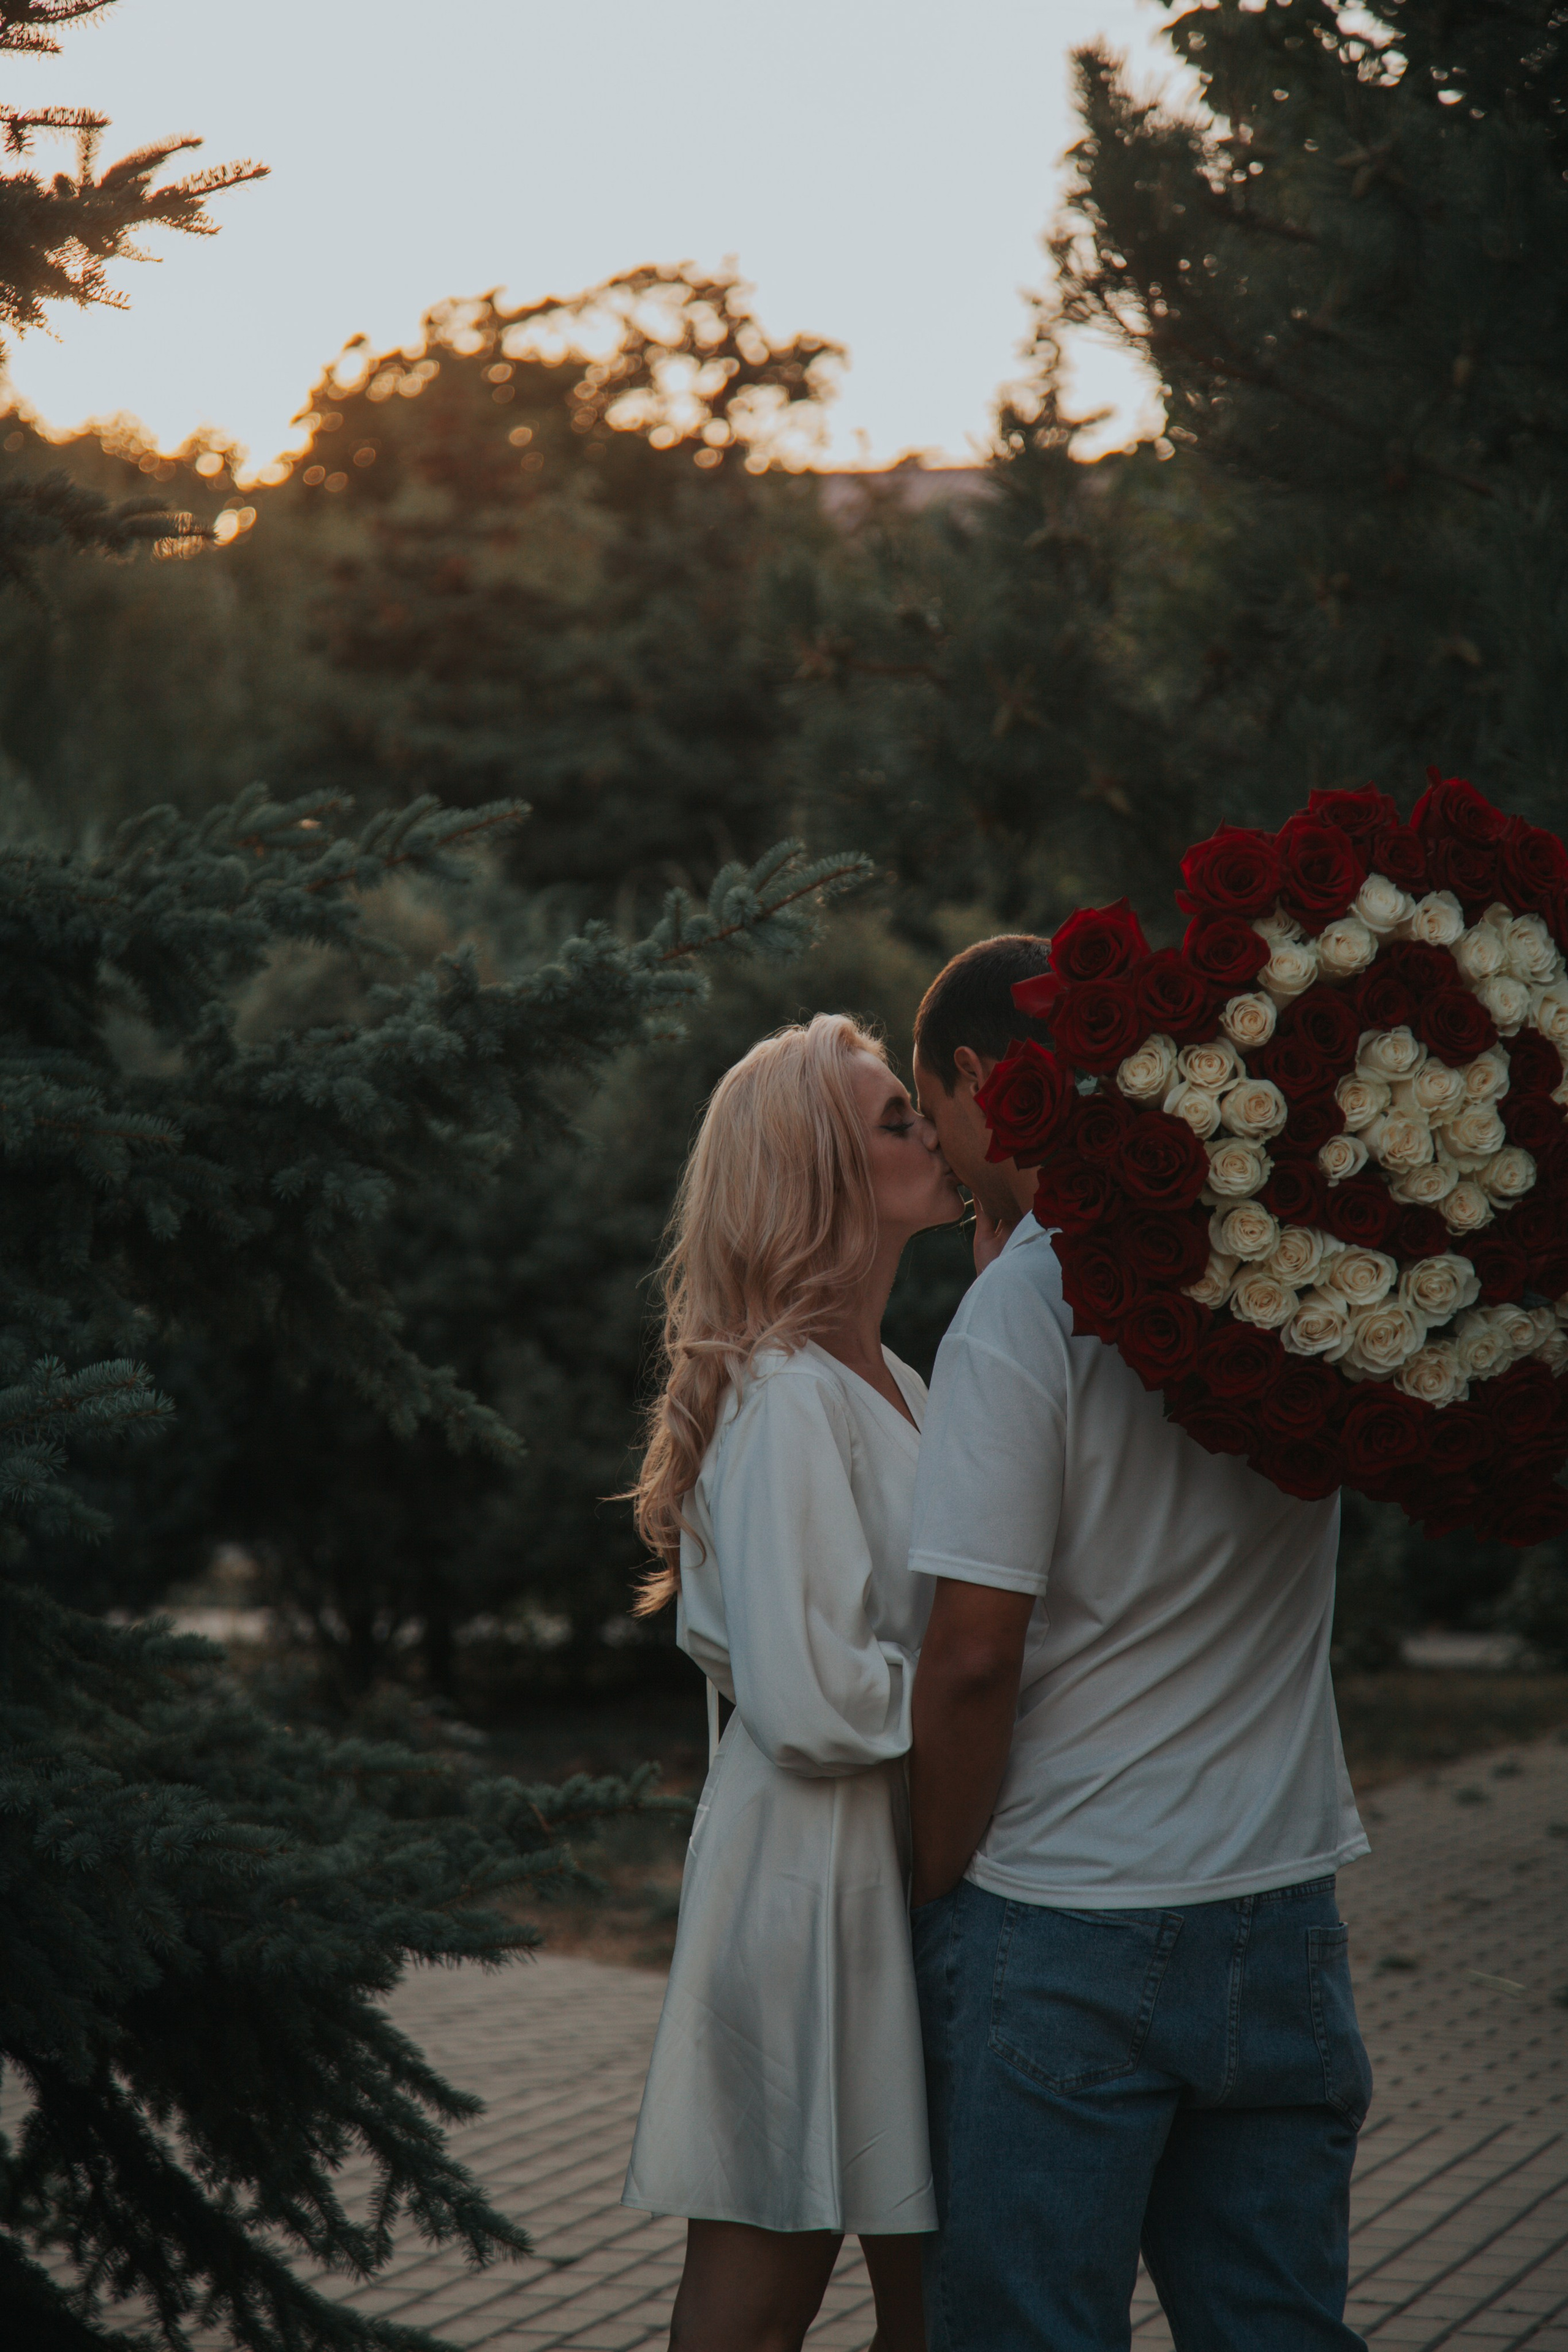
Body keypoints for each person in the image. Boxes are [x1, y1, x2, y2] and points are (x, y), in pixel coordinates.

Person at [905, 935, 1373, 2352]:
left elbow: (973, 1651)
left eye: (933, 1122)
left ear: (979, 1080)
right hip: (1283, 1903)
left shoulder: (1025, 1306)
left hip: (1067, 1920)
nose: (943, 1164)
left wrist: (931, 1880)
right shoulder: (1285, 1269)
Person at [622, 1012, 965, 2352]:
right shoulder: (779, 1398)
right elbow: (812, 1697)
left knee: (937, 2303)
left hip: (893, 1870)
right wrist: (987, 1709)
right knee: (755, 2309)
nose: (931, 1130)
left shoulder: (902, 1383)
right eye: (894, 1119)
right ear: (817, 1171)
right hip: (810, 1887)